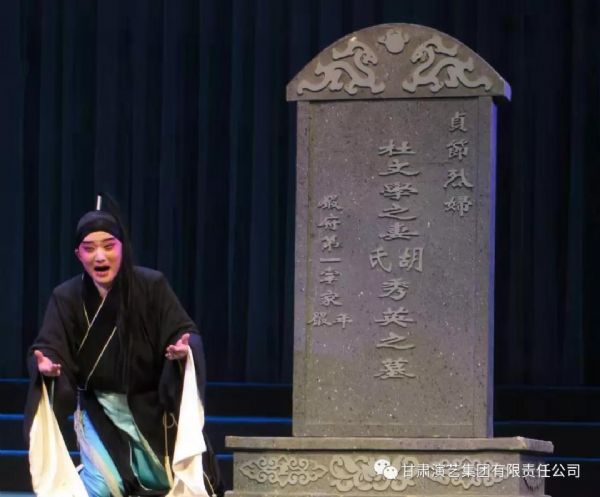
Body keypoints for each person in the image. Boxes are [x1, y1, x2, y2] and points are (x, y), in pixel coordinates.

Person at [24, 197, 221, 497]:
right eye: (89, 248)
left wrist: (185, 351)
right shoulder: (66, 297)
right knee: (103, 487)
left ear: (122, 248)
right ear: (78, 254)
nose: (99, 256)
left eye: (108, 246)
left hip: (150, 408)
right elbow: (48, 345)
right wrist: (46, 366)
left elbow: (184, 332)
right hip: (100, 410)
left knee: (171, 481)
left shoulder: (151, 286)